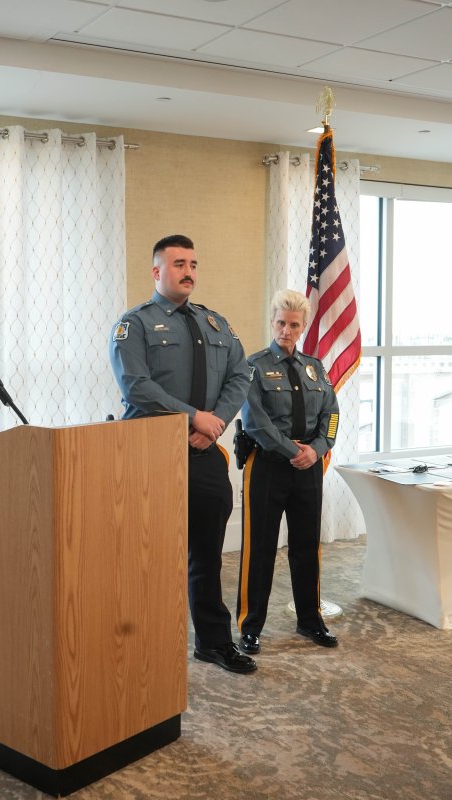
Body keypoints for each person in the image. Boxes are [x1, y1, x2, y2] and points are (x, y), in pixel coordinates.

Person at [110, 234, 256, 674]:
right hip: (150, 454)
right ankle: (141, 646)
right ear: (157, 272)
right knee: (145, 556)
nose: (188, 270)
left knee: (207, 554)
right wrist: (195, 416)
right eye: (178, 263)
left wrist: (214, 425)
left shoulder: (215, 324)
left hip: (204, 452)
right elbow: (136, 386)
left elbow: (241, 374)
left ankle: (213, 642)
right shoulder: (133, 324)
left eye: (192, 263)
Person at [236, 289, 339, 655]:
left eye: (294, 325)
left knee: (306, 546)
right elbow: (255, 422)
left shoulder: (316, 367)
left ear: (303, 326)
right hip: (267, 465)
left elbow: (332, 414)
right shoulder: (253, 366)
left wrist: (318, 450)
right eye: (281, 322)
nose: (286, 330)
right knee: (260, 549)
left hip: (308, 466)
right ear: (272, 321)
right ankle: (250, 627)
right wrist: (293, 450)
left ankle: (310, 619)